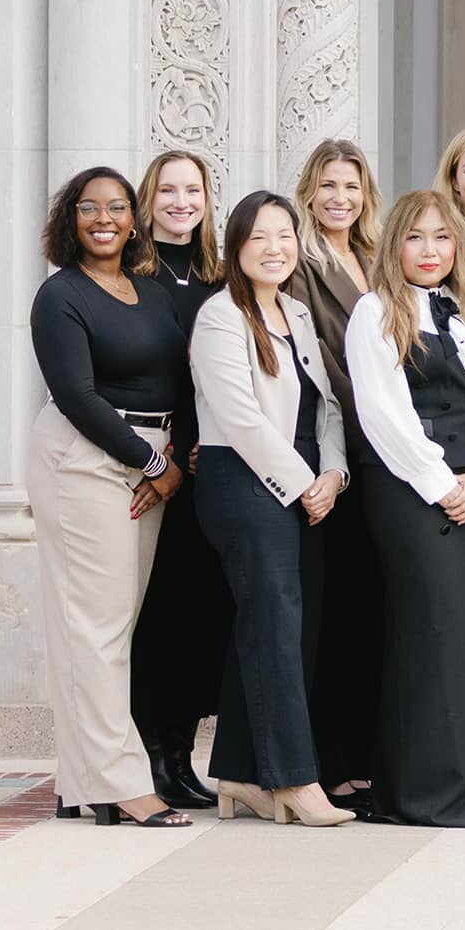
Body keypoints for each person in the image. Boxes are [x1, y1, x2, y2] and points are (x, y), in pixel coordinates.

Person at [343, 191, 465, 828]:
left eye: (442, 237)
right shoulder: (374, 312)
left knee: (464, 633)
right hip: (409, 489)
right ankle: (424, 793)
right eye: (415, 237)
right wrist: (443, 485)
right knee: (433, 629)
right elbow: (381, 413)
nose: (429, 250)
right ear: (395, 245)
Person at [27, 168, 192, 827]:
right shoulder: (59, 295)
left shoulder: (151, 292)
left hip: (151, 458)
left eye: (117, 207)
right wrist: (152, 461)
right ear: (69, 219)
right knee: (94, 626)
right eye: (88, 208)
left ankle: (80, 781)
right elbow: (77, 395)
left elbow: (180, 378)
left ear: (133, 219)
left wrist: (170, 457)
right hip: (86, 460)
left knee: (108, 625)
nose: (104, 219)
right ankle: (120, 783)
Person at [190, 191, 353, 826]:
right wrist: (303, 481)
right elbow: (238, 416)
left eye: (284, 235)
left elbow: (327, 404)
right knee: (276, 627)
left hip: (307, 482)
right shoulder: (219, 317)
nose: (274, 248)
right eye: (259, 237)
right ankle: (292, 780)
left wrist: (333, 473)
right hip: (246, 480)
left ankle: (239, 772)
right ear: (236, 245)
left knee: (285, 627)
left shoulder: (296, 312)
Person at [126, 150, 231, 811]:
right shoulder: (130, 274)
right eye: (168, 190)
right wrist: (161, 453)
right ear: (149, 198)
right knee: (156, 616)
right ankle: (149, 757)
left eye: (193, 190)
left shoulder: (219, 276)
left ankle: (182, 755)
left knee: (199, 611)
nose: (181, 201)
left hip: (207, 461)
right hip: (156, 459)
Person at [286, 138, 385, 813]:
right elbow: (317, 358)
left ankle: (364, 753)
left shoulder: (377, 256)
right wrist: (377, 414)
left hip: (390, 449)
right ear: (309, 193)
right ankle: (332, 760)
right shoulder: (301, 263)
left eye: (350, 186)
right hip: (340, 446)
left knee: (371, 607)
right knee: (338, 608)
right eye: (327, 186)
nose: (339, 198)